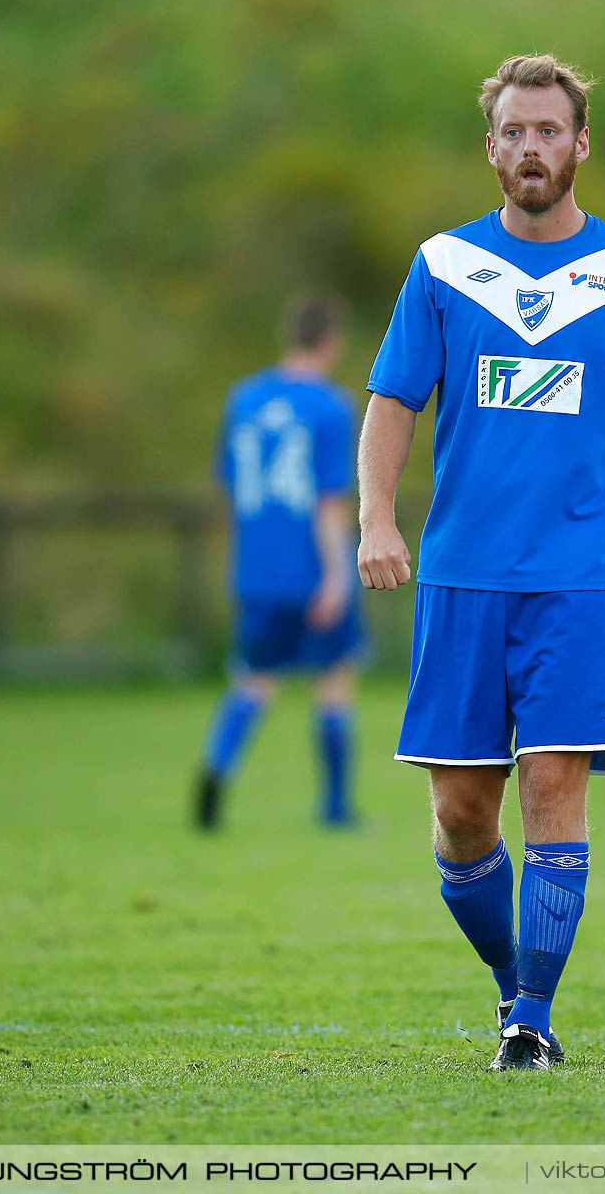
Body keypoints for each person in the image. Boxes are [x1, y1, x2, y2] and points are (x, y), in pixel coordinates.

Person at [356, 55, 605, 1071]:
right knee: (460, 817)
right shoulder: (444, 268)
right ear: (489, 148)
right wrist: (376, 519)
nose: (530, 147)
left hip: (578, 583)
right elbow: (394, 402)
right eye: (513, 132)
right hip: (460, 578)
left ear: (581, 145)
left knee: (553, 792)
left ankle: (533, 1018)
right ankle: (510, 989)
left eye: (548, 130)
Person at [195, 295, 364, 832]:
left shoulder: (243, 398)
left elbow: (231, 487)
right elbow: (328, 499)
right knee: (334, 681)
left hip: (258, 572)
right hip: (312, 571)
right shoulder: (329, 406)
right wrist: (338, 575)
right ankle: (335, 808)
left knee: (254, 681)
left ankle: (215, 771)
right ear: (331, 340)